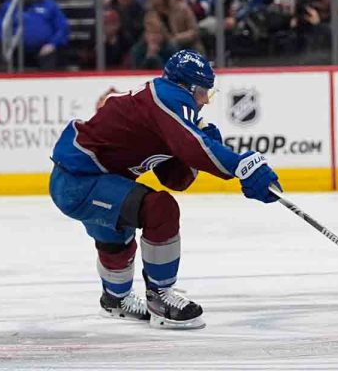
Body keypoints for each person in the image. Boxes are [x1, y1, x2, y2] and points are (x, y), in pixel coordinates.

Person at [49, 50, 282, 329]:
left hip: (89, 179)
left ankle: (115, 299)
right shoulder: (168, 97)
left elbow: (175, 179)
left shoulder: (164, 105)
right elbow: (194, 147)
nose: (206, 100)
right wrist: (243, 167)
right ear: (187, 87)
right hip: (79, 182)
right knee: (160, 209)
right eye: (203, 92)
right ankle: (160, 296)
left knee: (117, 234)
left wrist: (196, 157)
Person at [0, 0, 69, 70]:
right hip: (15, 48)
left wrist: (52, 44)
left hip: (43, 49)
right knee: (0, 50)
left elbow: (62, 27)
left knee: (53, 54)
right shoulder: (10, 6)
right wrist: (6, 42)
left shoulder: (49, 4)